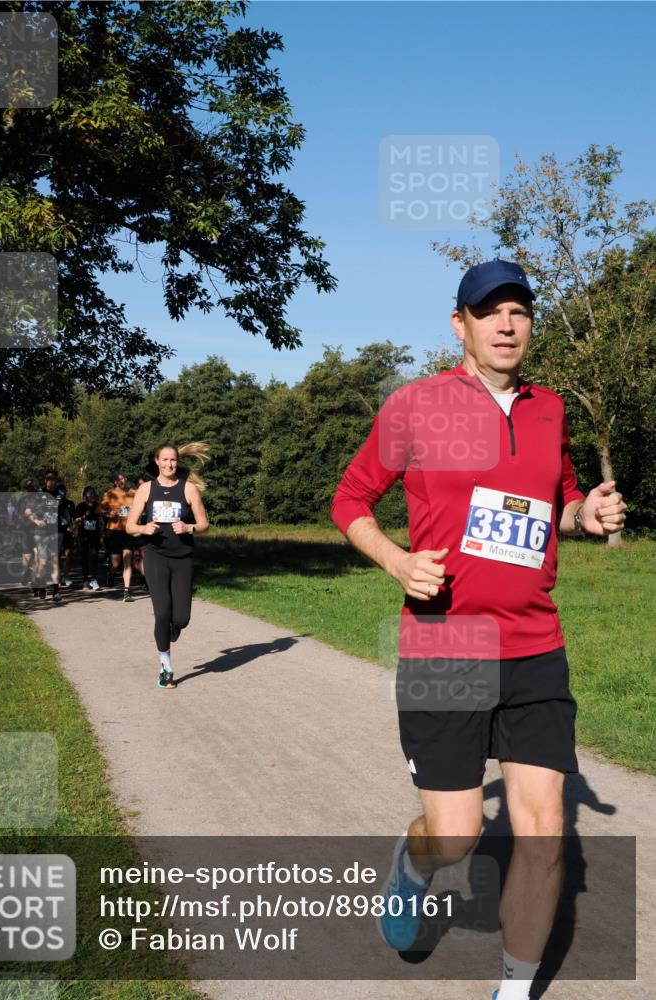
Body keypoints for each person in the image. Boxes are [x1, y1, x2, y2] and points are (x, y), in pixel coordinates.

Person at [330, 260, 627, 1000]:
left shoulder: (549, 408)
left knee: (543, 831)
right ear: (458, 323)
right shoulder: (415, 405)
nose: (506, 324)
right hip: (447, 644)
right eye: (488, 311)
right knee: (458, 833)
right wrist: (398, 562)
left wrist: (581, 515)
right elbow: (350, 500)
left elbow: (553, 497)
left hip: (535, 645)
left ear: (529, 325)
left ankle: (514, 990)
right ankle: (414, 863)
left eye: (519, 312)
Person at [126, 442, 209, 689]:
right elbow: (130, 526)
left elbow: (205, 523)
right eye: (164, 460)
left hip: (183, 557)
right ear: (157, 462)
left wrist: (189, 527)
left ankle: (172, 628)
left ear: (177, 462)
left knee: (181, 618)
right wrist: (142, 527)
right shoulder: (145, 489)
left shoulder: (189, 490)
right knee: (162, 613)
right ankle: (166, 667)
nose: (169, 464)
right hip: (155, 555)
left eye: (173, 460)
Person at [24, 469, 63, 602]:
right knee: (43, 561)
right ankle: (41, 586)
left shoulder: (60, 494)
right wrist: (36, 520)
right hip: (41, 534)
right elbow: (27, 511)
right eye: (48, 479)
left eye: (54, 479)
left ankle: (56, 591)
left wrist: (67, 521)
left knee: (55, 560)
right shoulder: (39, 495)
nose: (51, 481)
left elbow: (64, 511)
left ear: (57, 481)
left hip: (55, 532)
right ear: (45, 480)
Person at [100, 472, 136, 601]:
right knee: (115, 562)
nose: (122, 481)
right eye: (119, 479)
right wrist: (108, 513)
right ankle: (111, 573)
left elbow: (138, 508)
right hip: (114, 531)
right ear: (115, 481)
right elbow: (99, 510)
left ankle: (127, 591)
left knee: (128, 559)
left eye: (124, 478)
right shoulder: (109, 494)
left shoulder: (131, 494)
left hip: (127, 531)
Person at [75, 486, 102, 590]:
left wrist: (102, 534)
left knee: (94, 557)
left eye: (92, 493)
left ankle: (94, 579)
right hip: (84, 536)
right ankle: (85, 579)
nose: (91, 494)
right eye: (89, 493)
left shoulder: (97, 505)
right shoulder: (81, 506)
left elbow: (100, 520)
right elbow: (76, 520)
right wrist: (84, 517)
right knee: (85, 558)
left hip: (95, 536)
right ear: (85, 494)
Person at [55, 482, 77, 586]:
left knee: (69, 554)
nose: (62, 493)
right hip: (56, 531)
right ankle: (58, 577)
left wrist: (72, 526)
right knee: (57, 555)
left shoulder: (70, 503)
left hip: (67, 531)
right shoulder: (52, 502)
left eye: (64, 490)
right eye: (60, 491)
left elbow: (73, 518)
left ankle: (66, 575)